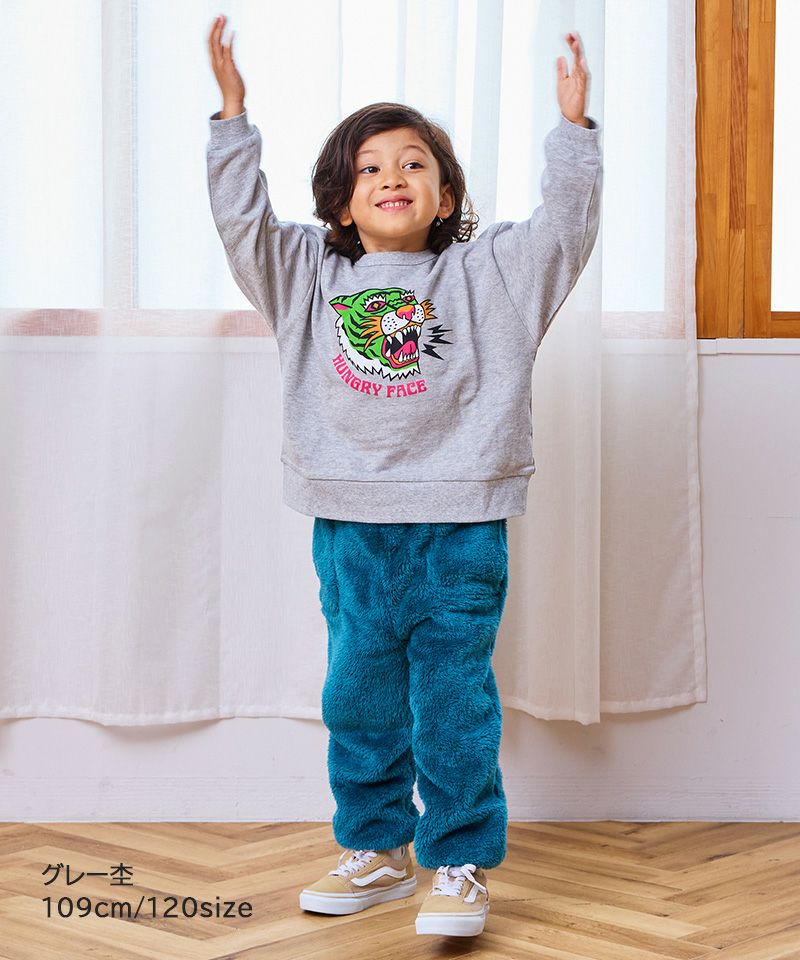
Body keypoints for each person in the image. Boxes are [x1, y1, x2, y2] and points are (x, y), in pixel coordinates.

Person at [206, 13, 602, 939]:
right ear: (343, 203)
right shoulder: (305, 274)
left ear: (446, 192)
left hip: (460, 525)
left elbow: (565, 230)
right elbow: (242, 223)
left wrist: (572, 134)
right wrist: (231, 121)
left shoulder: (492, 274)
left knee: (453, 701)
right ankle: (378, 852)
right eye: (371, 167)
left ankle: (459, 862)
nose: (393, 175)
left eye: (414, 162)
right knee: (359, 697)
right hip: (350, 525)